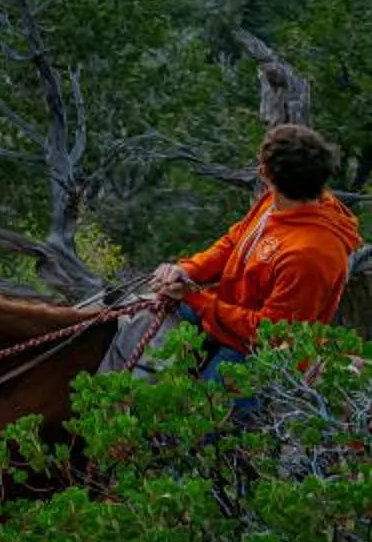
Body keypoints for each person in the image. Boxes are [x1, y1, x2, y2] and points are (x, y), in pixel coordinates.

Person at [153, 122, 359, 380]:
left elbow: (270, 333)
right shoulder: (276, 204)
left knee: (204, 408)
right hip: (225, 317)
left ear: (265, 173)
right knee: (148, 319)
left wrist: (195, 298)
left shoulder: (309, 255)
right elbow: (234, 242)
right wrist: (186, 271)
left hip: (260, 352)